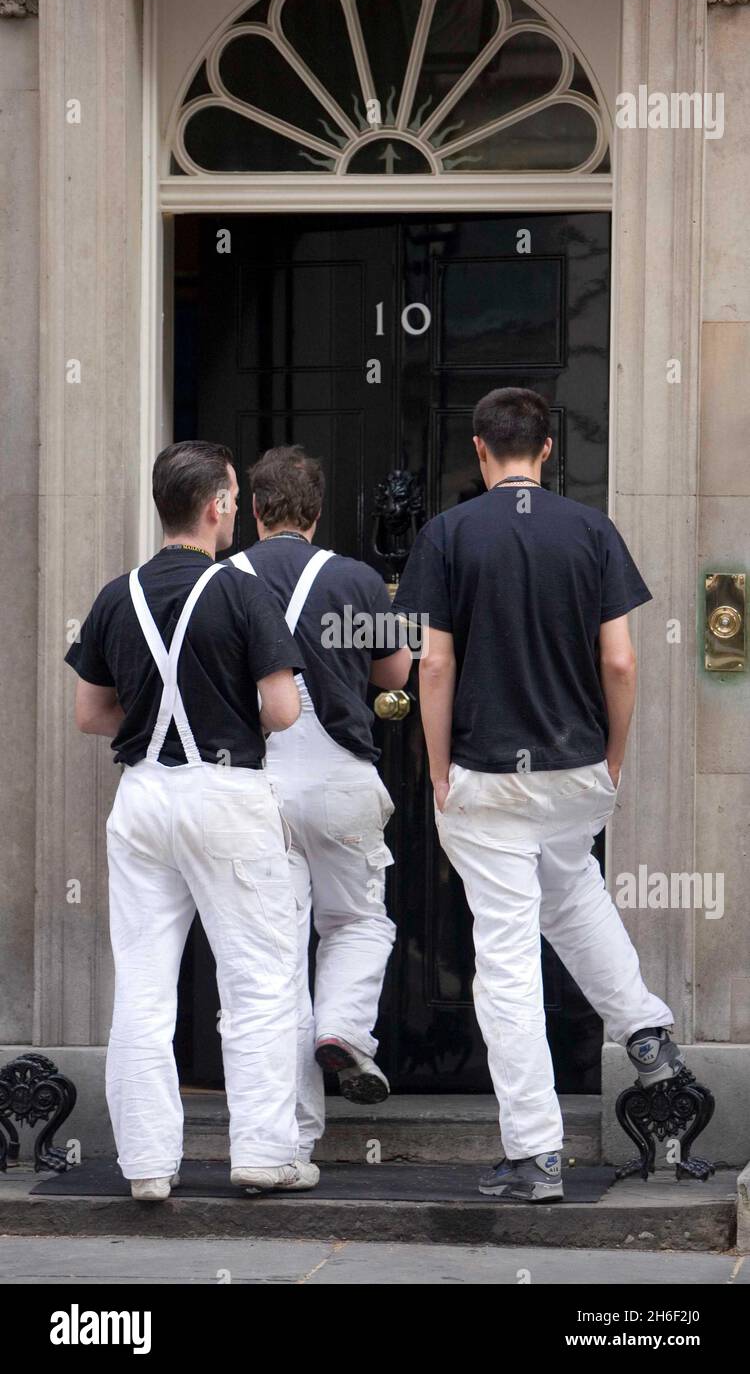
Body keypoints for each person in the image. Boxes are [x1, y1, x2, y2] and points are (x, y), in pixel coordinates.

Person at [394, 388, 685, 1203]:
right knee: (572, 893)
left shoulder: (448, 535)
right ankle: (645, 1029)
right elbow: (621, 663)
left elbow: (435, 666)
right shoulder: (591, 531)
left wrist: (439, 766)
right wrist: (614, 758)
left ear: (481, 450)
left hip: (488, 774)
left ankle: (536, 1152)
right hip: (576, 771)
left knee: (507, 960)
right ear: (547, 450)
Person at [65, 440, 319, 1200]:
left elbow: (90, 714)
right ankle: (263, 1153)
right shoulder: (242, 593)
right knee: (259, 981)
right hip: (227, 793)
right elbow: (281, 708)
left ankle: (145, 1165)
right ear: (215, 507)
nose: (237, 511)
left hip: (142, 797)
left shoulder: (117, 595)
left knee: (143, 985)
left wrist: (154, 721)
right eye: (234, 499)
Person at [228, 446, 412, 1165]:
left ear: (252, 510)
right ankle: (342, 1030)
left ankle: (290, 1141)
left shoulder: (221, 580)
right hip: (336, 775)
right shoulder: (354, 578)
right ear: (317, 511)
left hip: (250, 784)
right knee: (359, 921)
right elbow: (394, 672)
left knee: (273, 966)